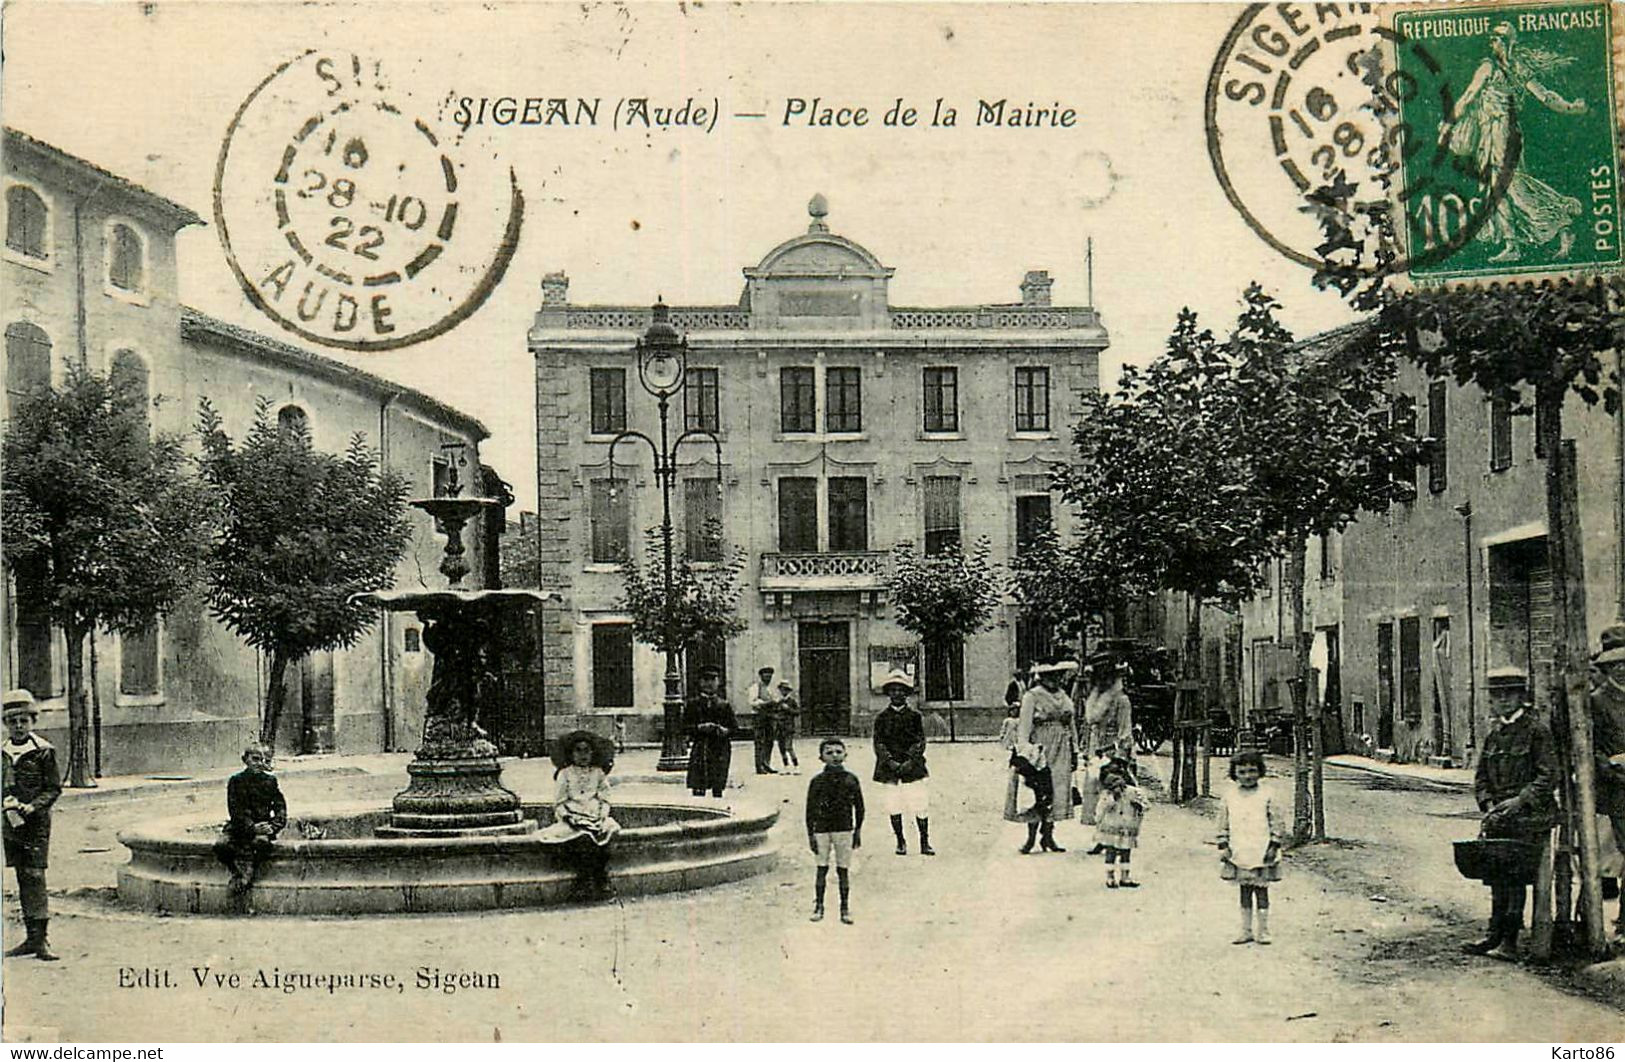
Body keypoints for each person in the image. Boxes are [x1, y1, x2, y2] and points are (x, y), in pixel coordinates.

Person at [1437, 21, 1587, 263]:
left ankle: (1558, 220)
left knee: (1510, 186)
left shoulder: (1491, 67)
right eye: (1492, 38)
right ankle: (1515, 243)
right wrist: (1570, 108)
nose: (1492, 42)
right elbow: (1546, 96)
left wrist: (1448, 124)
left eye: (1496, 38)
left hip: (1501, 132)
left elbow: (1468, 97)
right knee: (1499, 188)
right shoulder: (1516, 67)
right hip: (1498, 132)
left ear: (1508, 42)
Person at [1465, 685, 1558, 961]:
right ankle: (1495, 934)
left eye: (1509, 695)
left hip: (1530, 817)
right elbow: (1481, 777)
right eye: (1496, 696)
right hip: (1499, 818)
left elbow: (1548, 776)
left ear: (1521, 698)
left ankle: (1510, 940)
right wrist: (1489, 805)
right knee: (1496, 876)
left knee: (1515, 877)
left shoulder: (1536, 732)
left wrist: (1519, 801)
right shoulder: (1494, 734)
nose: (1502, 701)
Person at [2, 691, 61, 961]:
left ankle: (41, 941)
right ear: (5, 724)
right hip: (11, 823)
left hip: (35, 824)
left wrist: (33, 806)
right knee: (22, 876)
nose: (18, 726)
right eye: (12, 721)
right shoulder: (2, 752)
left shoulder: (43, 751)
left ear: (33, 721)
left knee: (35, 874)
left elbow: (53, 789)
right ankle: (30, 938)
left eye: (23, 720)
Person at [1005, 659, 1078, 854]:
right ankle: (1030, 838)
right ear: (1042, 676)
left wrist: (1075, 750)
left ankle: (1048, 836)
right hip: (1041, 747)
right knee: (1038, 790)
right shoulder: (1032, 696)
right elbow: (1024, 726)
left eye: (1058, 675)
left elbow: (1071, 725)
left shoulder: (1063, 695)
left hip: (1062, 747)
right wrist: (1025, 751)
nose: (1055, 679)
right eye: (1050, 675)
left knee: (1057, 791)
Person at [540, 731, 620, 900]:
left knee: (608, 833)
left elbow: (605, 799)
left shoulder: (598, 773)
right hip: (573, 816)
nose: (583, 755)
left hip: (595, 816)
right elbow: (559, 803)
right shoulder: (565, 774)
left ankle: (600, 878)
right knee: (581, 839)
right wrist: (567, 817)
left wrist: (602, 815)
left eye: (587, 751)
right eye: (578, 750)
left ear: (593, 753)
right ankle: (584, 880)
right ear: (571, 754)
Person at [1218, 750, 1287, 945]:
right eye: (1242, 772)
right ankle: (1246, 930)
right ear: (1235, 774)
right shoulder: (1229, 796)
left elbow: (1276, 821)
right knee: (1244, 890)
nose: (1247, 776)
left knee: (1261, 890)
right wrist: (1223, 844)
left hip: (1261, 847)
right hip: (1239, 848)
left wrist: (1274, 844)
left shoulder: (1267, 794)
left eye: (1252, 771)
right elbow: (1223, 822)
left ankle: (1263, 930)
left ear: (1260, 772)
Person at [211, 741, 287, 909]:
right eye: (255, 759)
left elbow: (280, 807)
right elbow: (235, 810)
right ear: (245, 760)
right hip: (240, 827)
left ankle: (249, 873)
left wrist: (273, 826)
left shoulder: (270, 781)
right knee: (221, 845)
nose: (259, 763)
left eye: (262, 760)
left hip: (262, 827)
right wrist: (252, 827)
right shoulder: (235, 781)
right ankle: (237, 872)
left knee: (261, 844)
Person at [872, 670, 933, 856]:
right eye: (893, 690)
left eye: (901, 690)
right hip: (889, 769)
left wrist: (909, 761)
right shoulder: (882, 718)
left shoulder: (914, 716)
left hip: (912, 768)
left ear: (906, 693)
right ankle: (900, 841)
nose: (897, 693)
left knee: (920, 804)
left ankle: (924, 841)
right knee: (893, 804)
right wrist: (889, 761)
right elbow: (878, 742)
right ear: (888, 693)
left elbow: (920, 741)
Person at [805, 737, 864, 924]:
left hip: (844, 829)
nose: (835, 756)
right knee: (821, 868)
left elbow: (860, 808)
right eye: (829, 753)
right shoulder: (817, 781)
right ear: (821, 757)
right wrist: (811, 835)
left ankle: (844, 908)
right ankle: (819, 906)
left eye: (838, 752)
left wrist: (857, 831)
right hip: (822, 830)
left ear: (846, 754)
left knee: (843, 869)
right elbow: (810, 810)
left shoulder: (851, 779)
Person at [1590, 624, 1625, 939]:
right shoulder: (1597, 702)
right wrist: (1611, 765)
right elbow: (1590, 750)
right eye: (1618, 665)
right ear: (1607, 668)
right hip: (1617, 789)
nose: (1624, 670)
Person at [685, 664, 737, 797]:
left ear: (718, 682)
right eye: (705, 680)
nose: (709, 683)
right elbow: (683, 727)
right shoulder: (693, 704)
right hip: (700, 747)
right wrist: (699, 727)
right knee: (698, 783)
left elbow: (734, 728)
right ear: (700, 682)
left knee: (718, 783)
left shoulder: (724, 705)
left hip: (720, 748)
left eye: (713, 680)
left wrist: (725, 730)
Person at [1094, 764, 1149, 889]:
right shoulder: (1107, 795)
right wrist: (1113, 798)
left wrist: (1139, 806)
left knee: (1126, 852)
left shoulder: (1134, 792)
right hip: (1111, 828)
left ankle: (1125, 877)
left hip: (1128, 827)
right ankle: (1110, 877)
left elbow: (1146, 804)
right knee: (1111, 852)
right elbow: (1100, 810)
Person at [747, 665, 781, 775]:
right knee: (760, 741)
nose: (768, 678)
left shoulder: (771, 689)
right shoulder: (755, 687)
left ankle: (767, 764)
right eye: (766, 676)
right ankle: (759, 766)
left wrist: (775, 703)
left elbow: (777, 699)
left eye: (770, 676)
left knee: (769, 741)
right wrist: (766, 703)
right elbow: (753, 702)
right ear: (761, 676)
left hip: (770, 717)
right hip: (759, 717)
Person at [775, 680, 801, 773]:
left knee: (788, 747)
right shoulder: (778, 702)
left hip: (788, 727)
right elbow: (775, 713)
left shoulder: (792, 701)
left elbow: (797, 712)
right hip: (779, 727)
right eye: (782, 690)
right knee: (781, 748)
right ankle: (786, 766)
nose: (783, 692)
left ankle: (796, 765)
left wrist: (788, 709)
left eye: (785, 690)